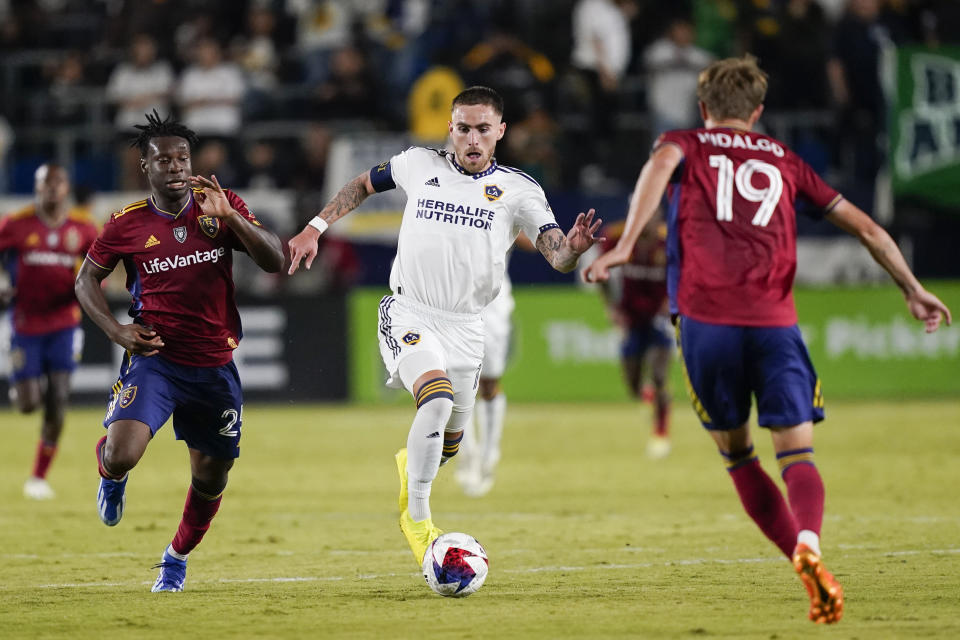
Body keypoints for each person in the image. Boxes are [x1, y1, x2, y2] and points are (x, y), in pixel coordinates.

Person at [583, 56, 952, 625]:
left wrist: (628, 242)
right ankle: (810, 541)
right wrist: (913, 288)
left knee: (738, 454)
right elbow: (869, 228)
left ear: (703, 109)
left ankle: (797, 561)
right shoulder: (788, 160)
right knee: (797, 452)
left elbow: (658, 168)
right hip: (774, 323)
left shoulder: (685, 143)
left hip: (706, 324)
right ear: (757, 113)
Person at [288, 86, 603, 568]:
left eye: (482, 129)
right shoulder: (418, 163)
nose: (472, 138)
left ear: (501, 131)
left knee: (448, 442)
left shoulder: (520, 190)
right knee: (434, 398)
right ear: (450, 129)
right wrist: (315, 226)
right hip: (409, 311)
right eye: (463, 128)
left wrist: (574, 249)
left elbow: (556, 255)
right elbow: (360, 185)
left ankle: (411, 466)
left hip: (466, 327)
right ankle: (418, 521)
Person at [74, 111, 284, 592]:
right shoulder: (126, 224)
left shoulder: (221, 205)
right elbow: (86, 280)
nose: (174, 166)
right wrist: (116, 330)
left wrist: (230, 218)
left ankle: (174, 558)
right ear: (144, 167)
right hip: (157, 360)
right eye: (162, 159)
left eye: (182, 157)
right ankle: (109, 471)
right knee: (123, 454)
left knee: (211, 477)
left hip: (214, 366)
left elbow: (275, 260)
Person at [0, 164, 98, 500]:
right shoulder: (17, 223)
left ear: (66, 188)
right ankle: (24, 386)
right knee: (29, 404)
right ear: (37, 187)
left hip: (64, 322)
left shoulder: (83, 228)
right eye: (46, 183)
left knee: (59, 396)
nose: (52, 189)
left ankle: (39, 477)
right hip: (26, 324)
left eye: (58, 183)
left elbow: (102, 266)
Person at [454, 233, 534, 497]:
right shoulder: (447, 197)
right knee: (456, 383)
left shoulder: (502, 198)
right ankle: (466, 453)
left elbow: (535, 240)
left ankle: (489, 454)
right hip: (453, 302)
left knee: (488, 383)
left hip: (492, 306)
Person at [596, 216, 674, 458]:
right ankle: (646, 394)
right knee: (633, 385)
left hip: (659, 319)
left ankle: (660, 434)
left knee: (660, 376)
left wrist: (671, 303)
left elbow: (685, 274)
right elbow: (600, 270)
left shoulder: (669, 239)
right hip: (632, 319)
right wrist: (612, 306)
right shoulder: (617, 236)